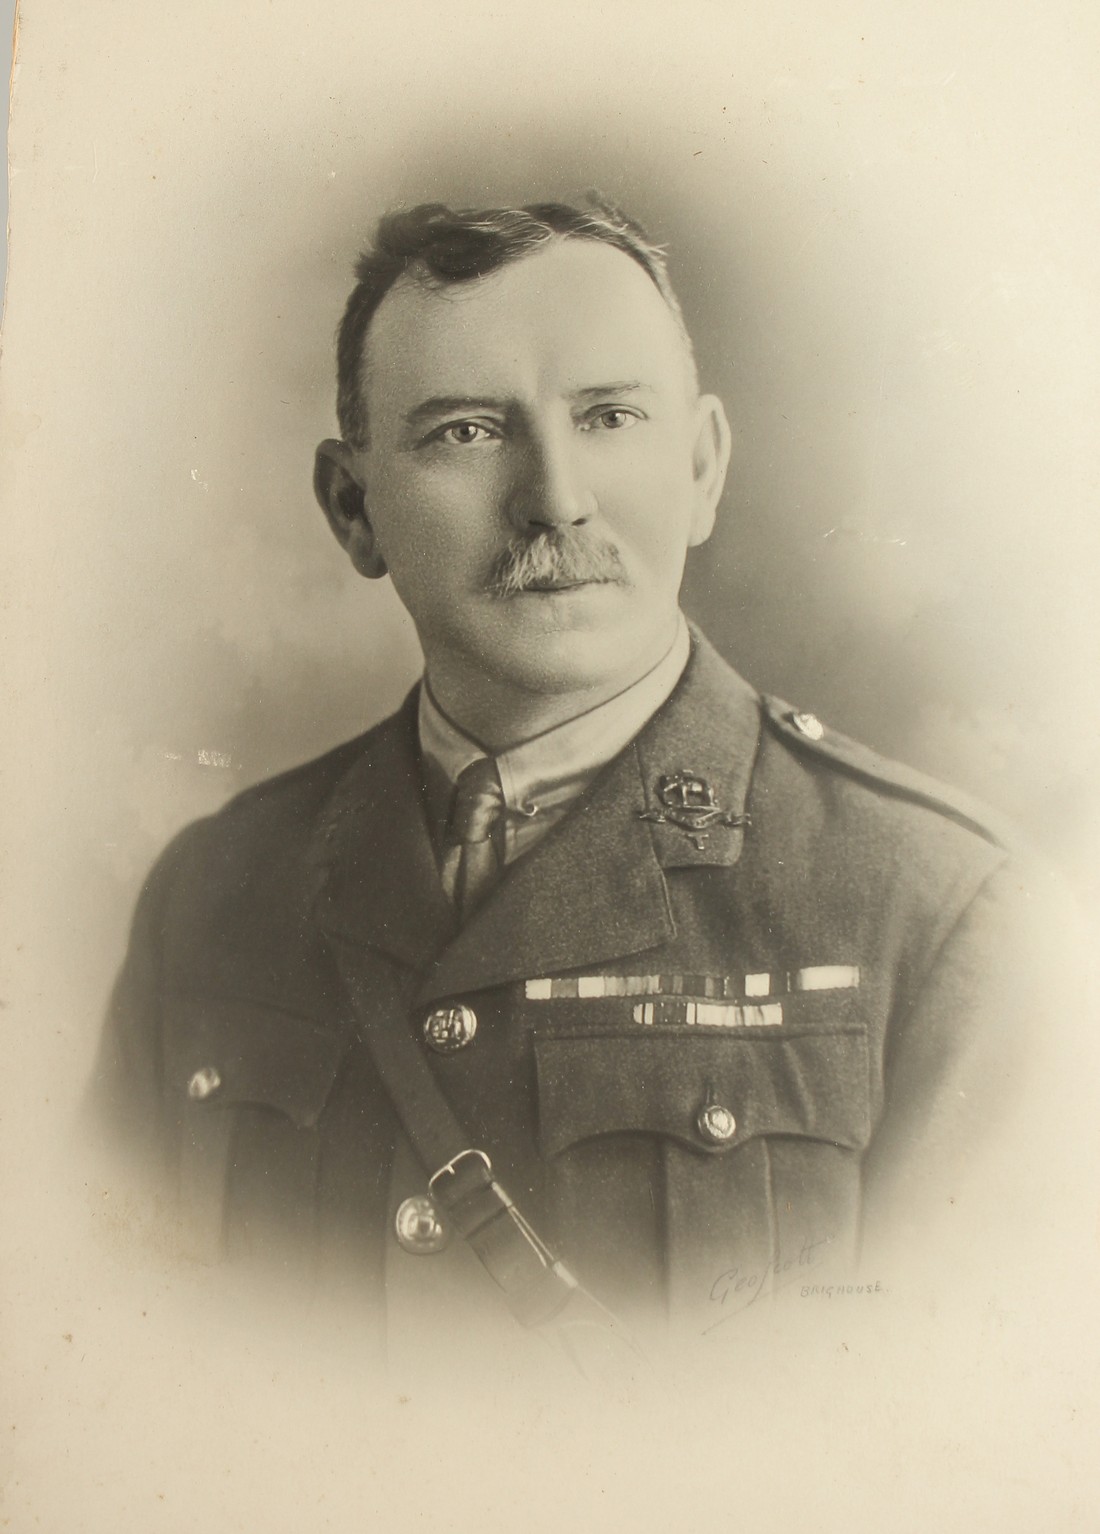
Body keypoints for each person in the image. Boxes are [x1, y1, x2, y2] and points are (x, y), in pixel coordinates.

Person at [91, 198, 1045, 1363]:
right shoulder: (213, 892)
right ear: (353, 508)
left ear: (699, 468)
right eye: (464, 432)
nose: (555, 498)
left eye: (606, 417)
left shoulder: (936, 913)